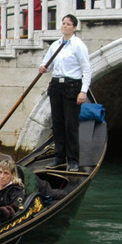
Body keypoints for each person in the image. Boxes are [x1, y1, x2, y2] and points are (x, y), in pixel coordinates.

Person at [39, 14, 91, 172]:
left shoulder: (78, 45)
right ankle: (59, 157)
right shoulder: (55, 45)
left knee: (71, 125)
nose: (65, 26)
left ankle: (73, 160)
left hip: (72, 87)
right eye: (63, 23)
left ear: (74, 28)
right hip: (56, 87)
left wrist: (83, 91)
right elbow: (47, 64)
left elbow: (86, 69)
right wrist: (42, 67)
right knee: (58, 124)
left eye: (68, 24)